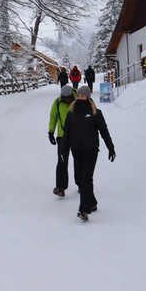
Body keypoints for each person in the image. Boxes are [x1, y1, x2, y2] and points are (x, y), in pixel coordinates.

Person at [61, 85, 115, 221]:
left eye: (83, 96)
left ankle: (84, 209)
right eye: (79, 96)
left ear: (88, 97)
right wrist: (63, 149)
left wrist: (110, 147)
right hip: (76, 150)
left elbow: (104, 131)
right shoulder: (71, 113)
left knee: (86, 178)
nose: (80, 98)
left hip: (90, 150)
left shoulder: (95, 112)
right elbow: (66, 133)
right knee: (79, 178)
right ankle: (92, 202)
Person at [48, 84, 76, 197]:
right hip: (62, 136)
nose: (66, 101)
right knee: (62, 162)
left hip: (77, 136)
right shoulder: (57, 102)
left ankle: (81, 184)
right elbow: (53, 117)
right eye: (64, 99)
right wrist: (51, 132)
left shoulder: (78, 100)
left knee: (79, 161)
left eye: (67, 99)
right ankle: (60, 187)